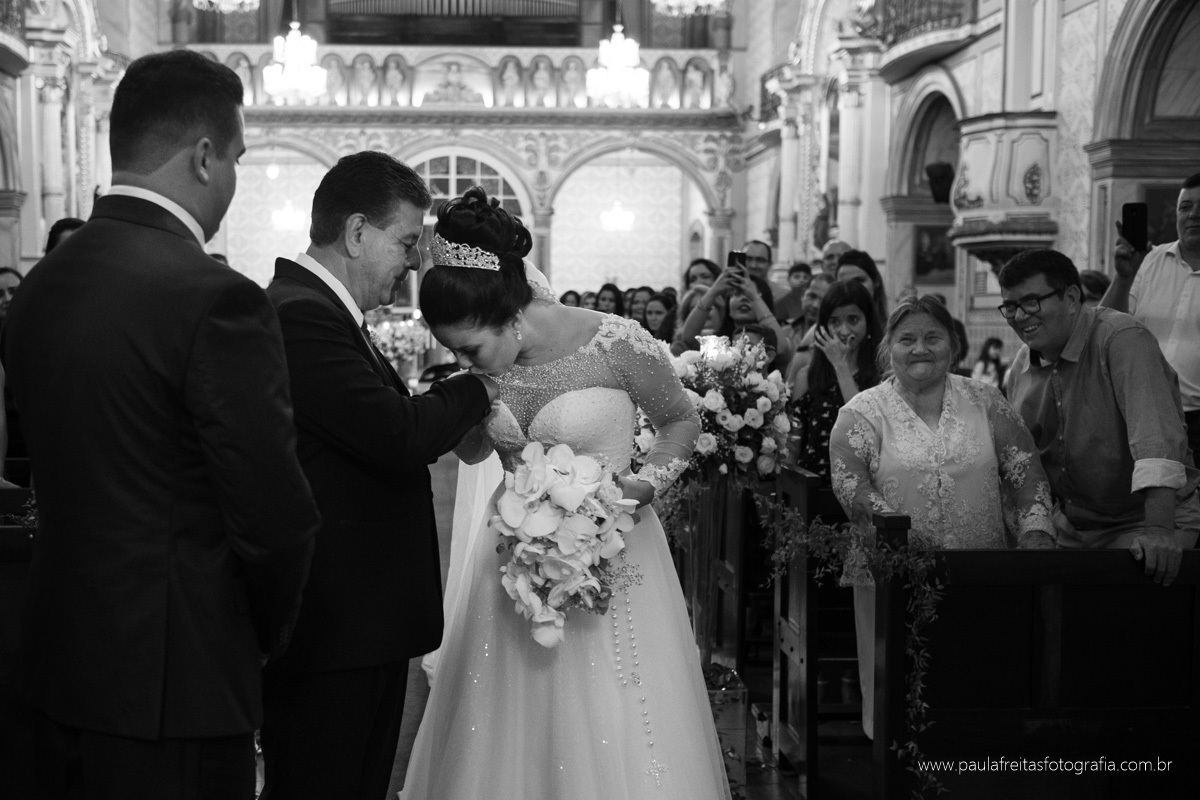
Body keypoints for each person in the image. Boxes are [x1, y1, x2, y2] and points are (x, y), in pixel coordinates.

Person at [1, 49, 320, 799]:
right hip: (177, 682)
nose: (234, 180)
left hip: (53, 658)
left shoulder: (41, 286)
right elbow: (274, 514)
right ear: (205, 158)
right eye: (237, 158)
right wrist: (263, 638)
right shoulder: (215, 296)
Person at [403, 187, 730, 798]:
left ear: (512, 313)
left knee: (617, 714)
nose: (461, 359)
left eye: (467, 347)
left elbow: (680, 422)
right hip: (513, 569)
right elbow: (479, 454)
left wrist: (645, 485)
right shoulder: (487, 369)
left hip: (616, 554)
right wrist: (468, 414)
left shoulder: (616, 342)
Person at [259, 153, 498, 800]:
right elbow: (397, 434)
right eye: (405, 242)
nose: (415, 264)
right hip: (335, 623)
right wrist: (484, 379)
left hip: (359, 620)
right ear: (357, 232)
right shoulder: (299, 315)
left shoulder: (322, 311)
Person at [830, 294, 1056, 739]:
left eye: (932, 337)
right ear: (888, 347)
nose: (920, 348)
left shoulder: (986, 400)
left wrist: (1036, 534)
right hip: (896, 574)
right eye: (907, 338)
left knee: (976, 682)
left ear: (953, 344)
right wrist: (897, 536)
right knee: (901, 686)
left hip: (982, 571)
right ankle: (896, 763)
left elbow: (1026, 470)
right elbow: (851, 485)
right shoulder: (861, 412)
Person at [1001, 248, 1200, 586]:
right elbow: (1022, 461)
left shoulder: (1121, 339)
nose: (1020, 316)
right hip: (1073, 523)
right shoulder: (1021, 367)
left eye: (1032, 302)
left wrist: (1158, 529)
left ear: (1071, 297)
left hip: (1142, 518)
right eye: (1011, 306)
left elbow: (1156, 441)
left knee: (1116, 618)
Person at [1102, 172, 1200, 456]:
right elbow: (1106, 326)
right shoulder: (1148, 261)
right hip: (1139, 411)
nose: (1193, 215)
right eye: (1186, 207)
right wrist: (1123, 277)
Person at [791, 281, 882, 494]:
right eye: (834, 321)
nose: (843, 330)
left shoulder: (881, 376)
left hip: (862, 491)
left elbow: (863, 426)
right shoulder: (807, 375)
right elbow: (794, 442)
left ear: (868, 323)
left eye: (853, 320)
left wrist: (840, 365)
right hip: (811, 487)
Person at [836, 249, 888, 323]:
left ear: (876, 282)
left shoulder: (895, 329)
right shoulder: (825, 331)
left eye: (859, 281)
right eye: (845, 284)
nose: (853, 288)